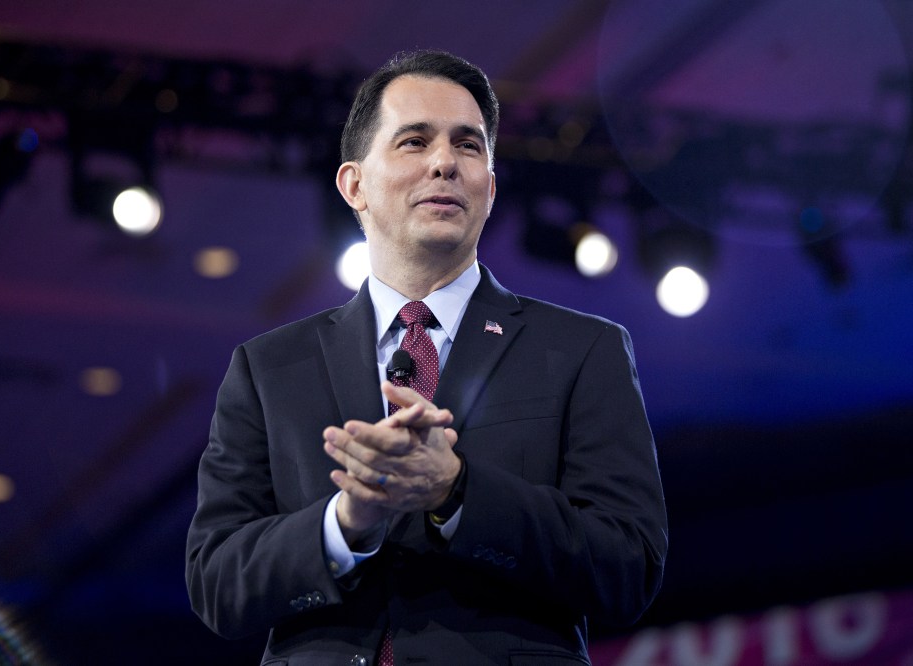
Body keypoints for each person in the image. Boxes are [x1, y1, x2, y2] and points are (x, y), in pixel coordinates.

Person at [186, 49, 667, 665]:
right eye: (414, 141)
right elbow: (217, 584)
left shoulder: (581, 350)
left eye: (467, 147)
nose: (444, 162)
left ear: (490, 190)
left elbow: (628, 565)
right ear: (354, 184)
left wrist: (457, 490)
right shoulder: (267, 368)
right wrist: (344, 523)